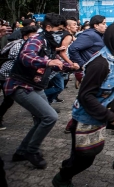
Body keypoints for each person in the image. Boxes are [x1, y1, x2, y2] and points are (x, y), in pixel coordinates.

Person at [52, 22, 114, 186]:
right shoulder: (100, 63)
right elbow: (85, 96)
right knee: (85, 159)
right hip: (89, 114)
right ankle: (62, 177)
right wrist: (109, 116)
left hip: (111, 106)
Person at [5, 13, 79, 169]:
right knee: (50, 116)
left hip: (35, 87)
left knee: (41, 119)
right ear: (48, 28)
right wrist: (48, 61)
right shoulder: (36, 40)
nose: (62, 34)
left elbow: (55, 62)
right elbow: (26, 56)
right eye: (60, 30)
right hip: (21, 85)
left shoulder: (50, 43)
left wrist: (69, 66)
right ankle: (31, 151)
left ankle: (21, 151)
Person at [0, 25, 38, 130]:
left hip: (16, 75)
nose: (36, 39)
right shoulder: (19, 45)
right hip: (8, 74)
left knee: (10, 99)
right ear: (26, 37)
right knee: (8, 100)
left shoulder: (29, 45)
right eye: (33, 36)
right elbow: (23, 60)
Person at [69, 15, 107, 85]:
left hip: (96, 69)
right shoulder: (90, 35)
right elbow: (72, 49)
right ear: (96, 25)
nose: (106, 26)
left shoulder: (99, 35)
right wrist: (82, 64)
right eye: (104, 23)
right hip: (90, 70)